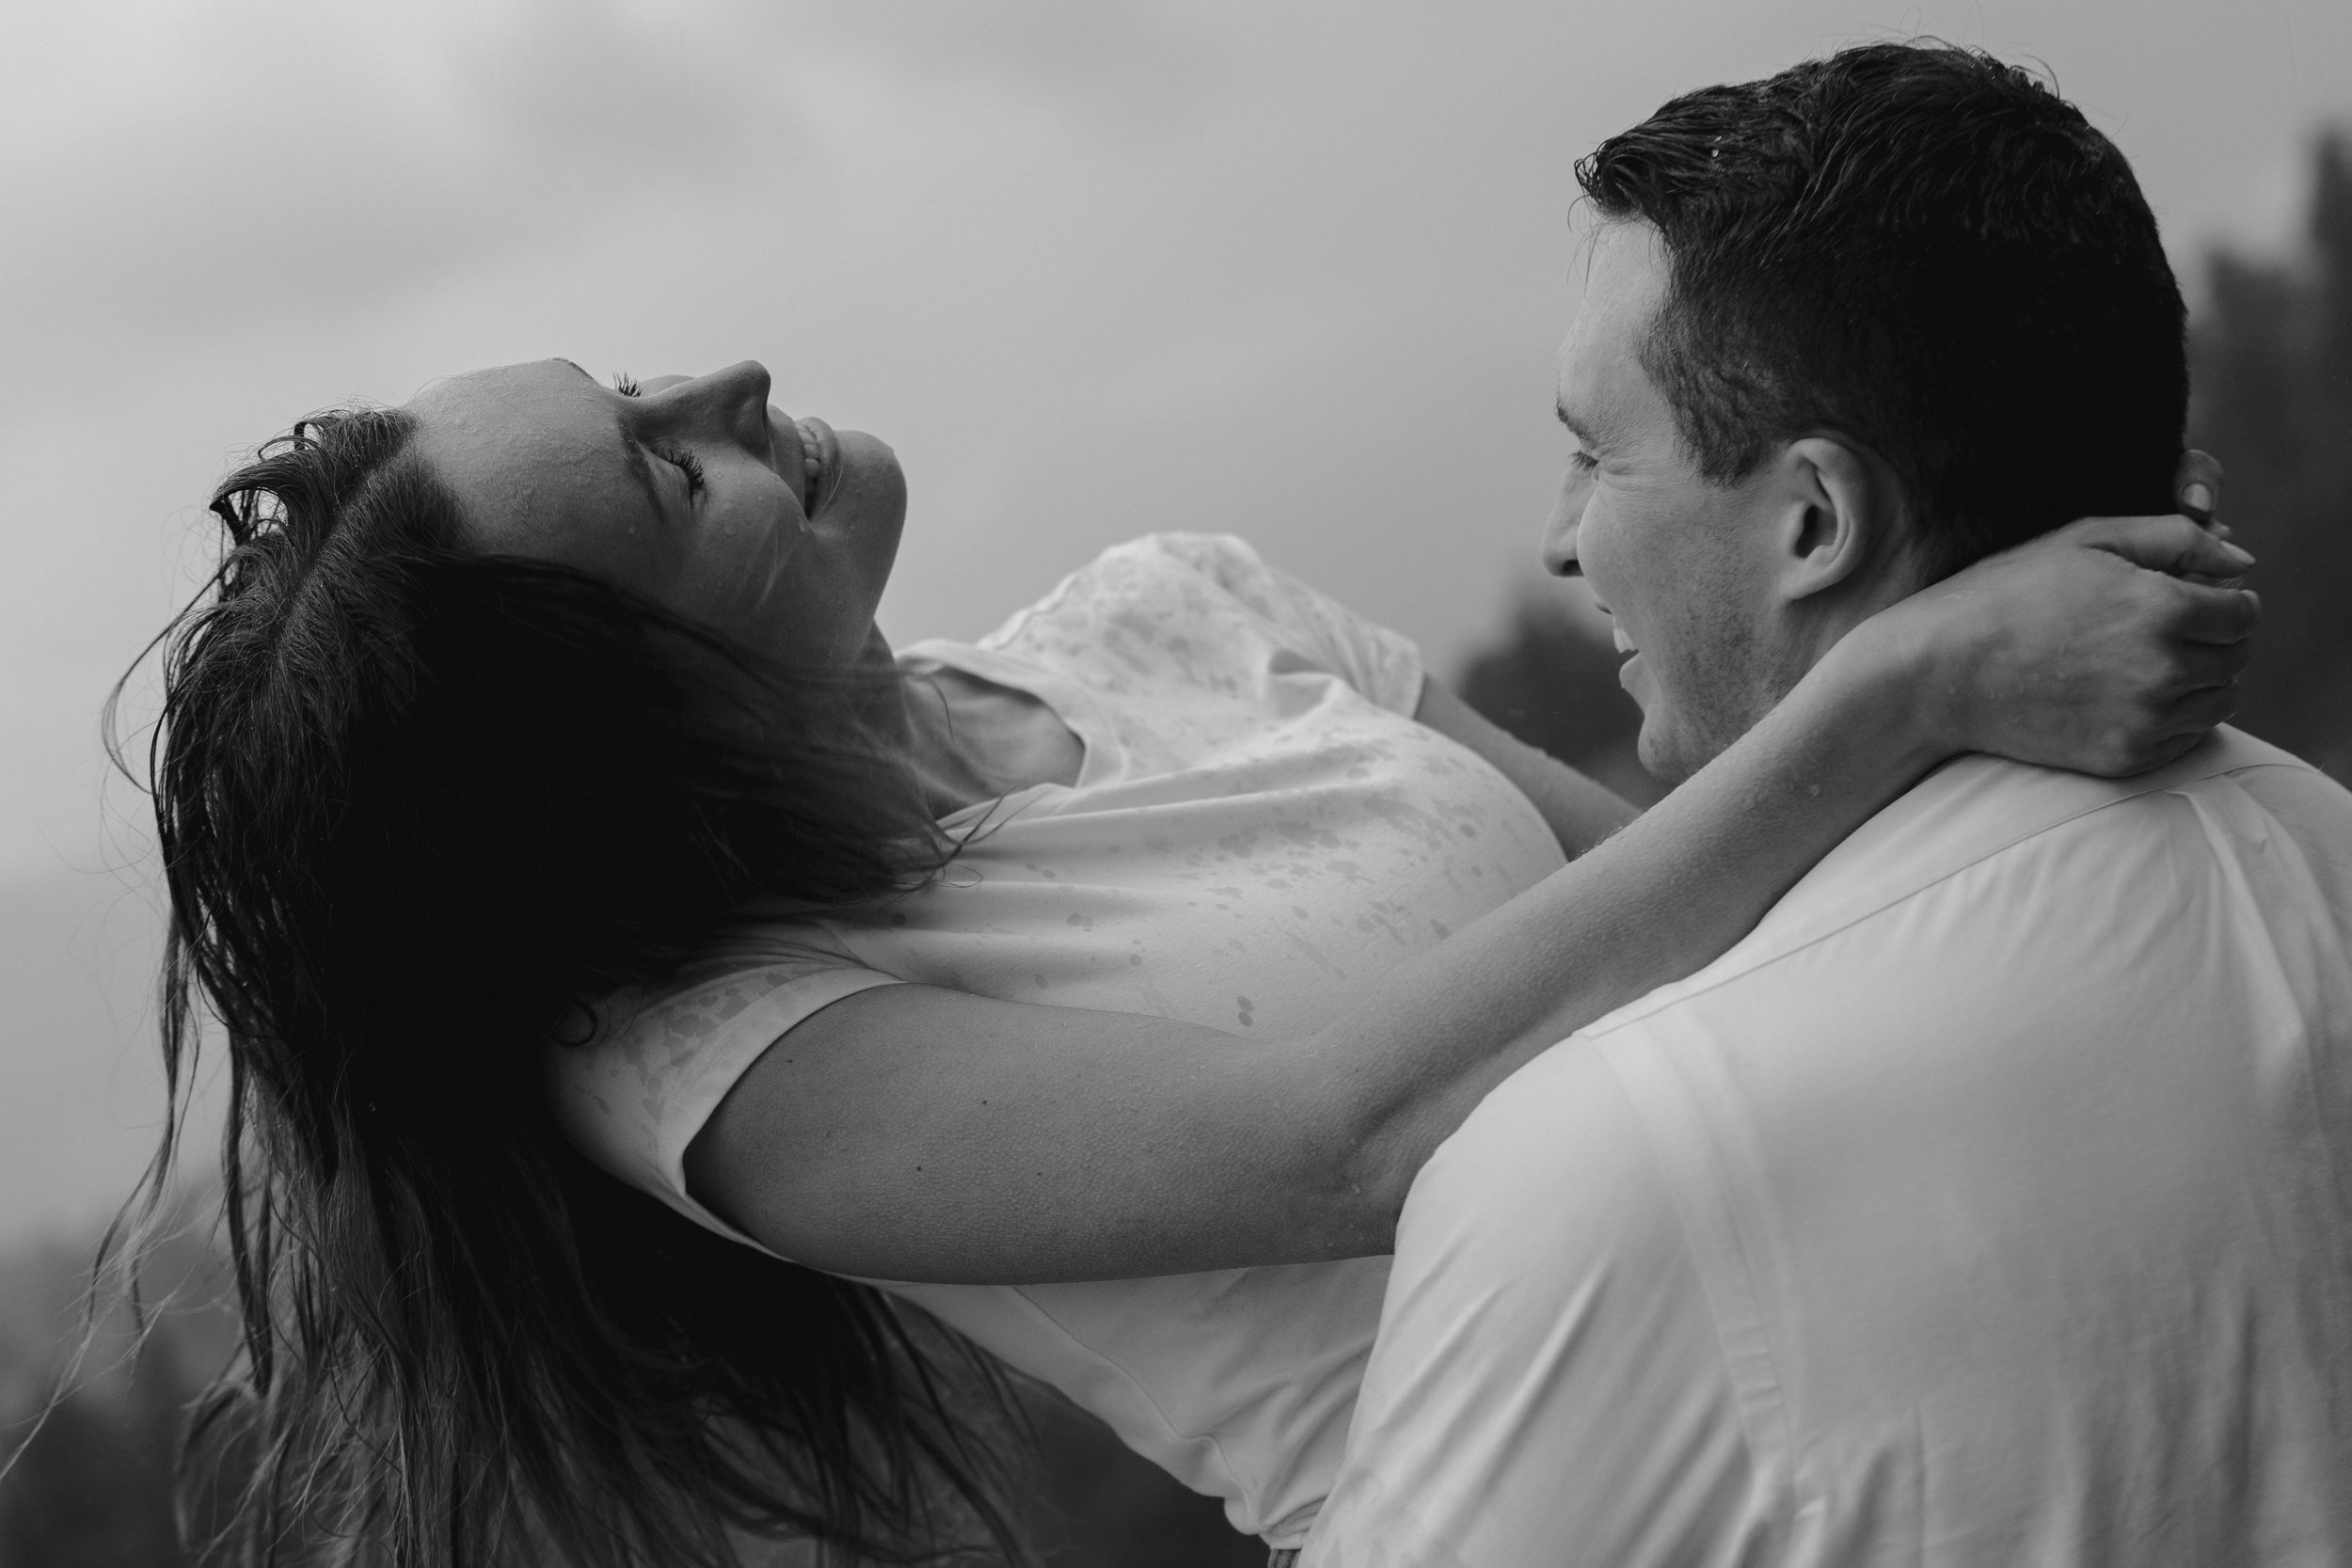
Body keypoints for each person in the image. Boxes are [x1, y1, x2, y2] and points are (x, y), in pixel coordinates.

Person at [146, 207, 2250, 1568]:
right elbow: (1352, 1139)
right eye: (657, 471)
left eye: (630, 383)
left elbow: (1741, 917)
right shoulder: (716, 1055)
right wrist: (1904, 682)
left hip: (1954, 1365)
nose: (723, 387)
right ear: (622, 713)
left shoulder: (1172, 600)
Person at [1297, 43, 2352, 1568]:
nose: (1559, 543)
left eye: (1596, 454)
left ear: (1813, 520)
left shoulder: (1607, 1161)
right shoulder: (2322, 850)